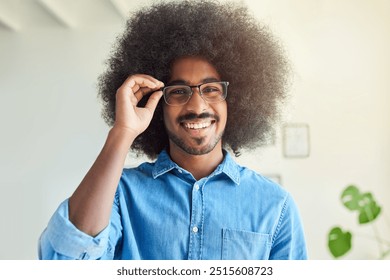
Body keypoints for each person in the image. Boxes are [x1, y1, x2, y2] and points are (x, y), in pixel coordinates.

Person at [39, 0, 307, 260]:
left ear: (235, 101)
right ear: (156, 105)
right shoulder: (120, 194)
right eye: (178, 91)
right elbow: (63, 260)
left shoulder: (275, 205)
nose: (197, 105)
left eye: (211, 89)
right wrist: (123, 131)